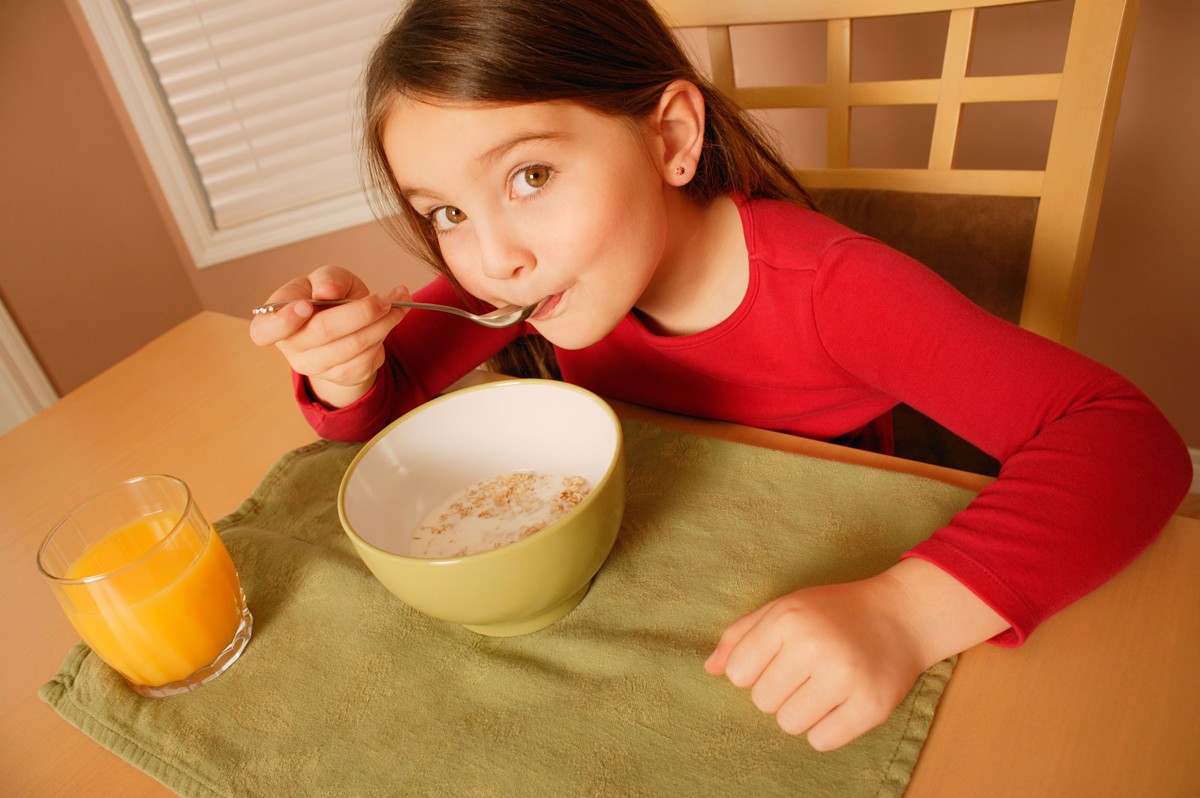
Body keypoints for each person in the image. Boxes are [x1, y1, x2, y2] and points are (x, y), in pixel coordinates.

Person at [250, 0, 1191, 751]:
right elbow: (383, 408)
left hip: (827, 599)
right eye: (446, 212)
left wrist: (905, 613)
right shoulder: (532, 277)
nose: (493, 260)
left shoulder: (834, 290)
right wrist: (346, 368)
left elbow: (1128, 439)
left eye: (530, 176)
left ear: (668, 138)